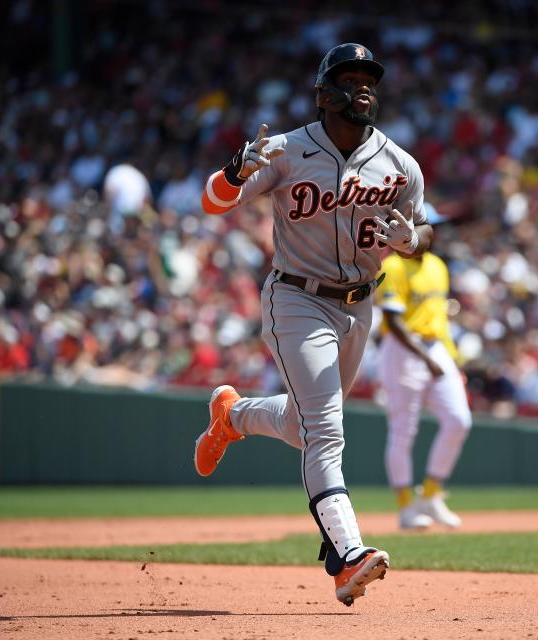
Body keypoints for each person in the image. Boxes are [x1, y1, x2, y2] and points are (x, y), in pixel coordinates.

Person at [192, 43, 434, 607]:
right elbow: (212, 202)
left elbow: (426, 235)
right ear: (325, 94)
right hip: (297, 300)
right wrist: (232, 174)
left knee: (307, 428)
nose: (364, 87)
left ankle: (235, 417)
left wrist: (413, 241)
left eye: (370, 78)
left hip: (360, 305)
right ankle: (346, 557)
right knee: (326, 430)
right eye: (351, 78)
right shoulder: (286, 150)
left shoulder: (400, 164)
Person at [375, 246, 472, 529]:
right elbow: (393, 322)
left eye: (431, 226)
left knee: (458, 420)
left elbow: (439, 319)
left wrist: (450, 358)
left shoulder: (438, 266)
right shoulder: (392, 266)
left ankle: (431, 495)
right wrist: (427, 358)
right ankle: (406, 506)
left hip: (436, 347)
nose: (428, 233)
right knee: (403, 430)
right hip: (402, 350)